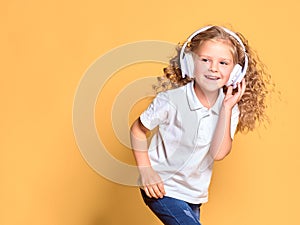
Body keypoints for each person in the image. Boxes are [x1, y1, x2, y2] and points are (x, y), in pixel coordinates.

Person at [130, 25, 272, 225]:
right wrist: (146, 171)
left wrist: (227, 108)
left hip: (194, 194)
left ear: (235, 73)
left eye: (223, 63)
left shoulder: (229, 108)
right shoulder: (172, 100)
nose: (213, 68)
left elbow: (218, 153)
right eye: (205, 60)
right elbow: (138, 129)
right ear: (189, 63)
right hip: (162, 186)